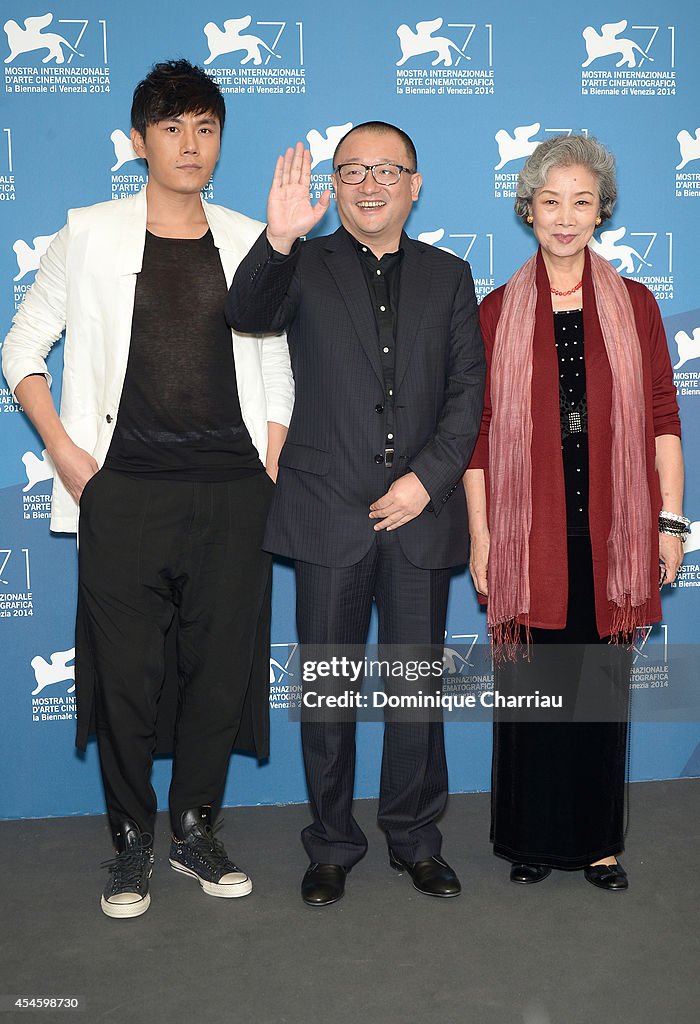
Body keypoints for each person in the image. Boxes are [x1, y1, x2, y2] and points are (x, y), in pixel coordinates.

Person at [2, 60, 294, 918]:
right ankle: (129, 843)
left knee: (216, 672)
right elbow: (21, 349)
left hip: (234, 492)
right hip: (122, 492)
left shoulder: (249, 237)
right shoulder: (88, 232)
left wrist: (270, 460)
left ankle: (195, 830)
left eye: (205, 128)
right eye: (172, 129)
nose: (190, 144)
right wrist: (62, 451)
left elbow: (275, 361)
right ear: (139, 142)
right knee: (125, 677)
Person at [227, 122, 485, 905]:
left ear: (416, 183)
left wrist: (426, 482)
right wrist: (277, 238)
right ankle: (332, 843)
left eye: (386, 170)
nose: (369, 184)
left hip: (419, 515)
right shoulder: (301, 264)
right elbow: (244, 311)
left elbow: (468, 395)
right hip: (324, 510)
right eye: (351, 171)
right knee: (329, 693)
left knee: (414, 693)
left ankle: (414, 838)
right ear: (333, 186)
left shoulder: (450, 275)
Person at [464, 134, 684, 891]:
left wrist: (671, 522)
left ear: (602, 212)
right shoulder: (496, 310)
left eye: (581, 202)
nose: (565, 217)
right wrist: (483, 537)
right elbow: (480, 436)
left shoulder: (636, 305)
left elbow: (663, 416)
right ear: (528, 209)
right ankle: (531, 839)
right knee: (532, 698)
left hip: (614, 533)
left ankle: (596, 844)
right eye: (550, 201)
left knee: (597, 695)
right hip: (530, 536)